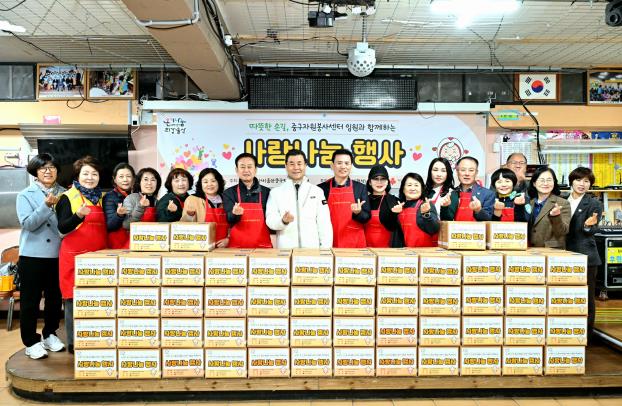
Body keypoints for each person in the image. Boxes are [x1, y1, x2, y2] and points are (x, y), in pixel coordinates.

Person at [16, 154, 66, 359]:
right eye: (43, 167)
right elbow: (28, 224)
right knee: (30, 301)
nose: (48, 171)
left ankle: (49, 334)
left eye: (52, 167)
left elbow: (67, 224)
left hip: (57, 254)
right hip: (32, 256)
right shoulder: (24, 195)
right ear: (35, 171)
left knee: (54, 299)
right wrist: (45, 206)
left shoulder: (66, 193)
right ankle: (30, 341)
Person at [56, 156, 107, 353]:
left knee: (98, 299)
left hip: (99, 256)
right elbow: (62, 228)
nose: (90, 177)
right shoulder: (67, 197)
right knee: (73, 299)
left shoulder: (101, 197)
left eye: (94, 174)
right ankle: (74, 343)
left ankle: (96, 340)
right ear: (78, 175)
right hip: (74, 256)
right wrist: (78, 215)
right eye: (86, 173)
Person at [265, 150, 332, 248]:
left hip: (312, 251)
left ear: (305, 165)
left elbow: (324, 224)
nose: (296, 167)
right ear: (286, 166)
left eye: (299, 163)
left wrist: (325, 250)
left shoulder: (317, 191)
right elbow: (270, 220)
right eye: (291, 164)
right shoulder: (276, 192)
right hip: (286, 251)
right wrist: (283, 221)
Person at [565, 167, 603, 338]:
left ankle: (586, 335)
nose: (582, 184)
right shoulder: (562, 200)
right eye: (578, 180)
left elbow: (592, 229)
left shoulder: (594, 204)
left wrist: (588, 225)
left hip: (585, 256)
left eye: (586, 181)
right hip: (564, 254)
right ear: (571, 181)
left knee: (586, 297)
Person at [318, 149, 370, 248]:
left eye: (346, 163)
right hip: (329, 241)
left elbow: (366, 218)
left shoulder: (360, 188)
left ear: (351, 166)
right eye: (339, 163)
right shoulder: (321, 189)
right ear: (332, 165)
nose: (343, 166)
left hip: (354, 242)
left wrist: (358, 213)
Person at [223, 153, 272, 248]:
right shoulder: (229, 193)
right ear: (236, 170)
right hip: (237, 247)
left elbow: (270, 219)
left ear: (255, 170)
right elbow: (229, 220)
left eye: (249, 167)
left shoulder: (267, 192)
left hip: (262, 246)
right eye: (242, 167)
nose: (246, 170)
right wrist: (234, 214)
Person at [181, 168, 230, 248]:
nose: (209, 184)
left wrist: (228, 239)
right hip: (201, 246)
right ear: (201, 184)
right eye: (205, 182)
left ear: (219, 182)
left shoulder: (227, 199)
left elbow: (233, 223)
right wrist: (189, 215)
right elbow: (184, 226)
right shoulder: (192, 199)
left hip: (224, 246)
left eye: (213, 181)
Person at [392, 173, 440, 248]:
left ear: (422, 189)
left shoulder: (426, 205)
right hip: (407, 253)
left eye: (416, 185)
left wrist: (426, 214)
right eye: (409, 185)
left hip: (425, 252)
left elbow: (434, 229)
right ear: (403, 189)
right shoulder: (400, 208)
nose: (413, 188)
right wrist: (394, 215)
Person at [439, 156, 495, 221]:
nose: (467, 174)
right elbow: (446, 220)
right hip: (455, 228)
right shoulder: (452, 193)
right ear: (457, 172)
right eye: (463, 170)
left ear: (476, 172)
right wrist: (445, 207)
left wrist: (478, 210)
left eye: (471, 170)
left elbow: (489, 220)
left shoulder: (488, 194)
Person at [527, 166, 570, 248]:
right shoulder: (529, 203)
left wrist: (556, 216)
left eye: (549, 180)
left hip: (551, 250)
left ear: (554, 182)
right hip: (529, 249)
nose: (545, 183)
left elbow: (563, 232)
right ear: (534, 183)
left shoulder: (563, 203)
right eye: (542, 180)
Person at [364, 164, 399, 248]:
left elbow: (394, 228)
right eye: (376, 179)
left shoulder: (394, 201)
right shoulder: (363, 201)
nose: (379, 182)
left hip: (387, 251)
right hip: (364, 249)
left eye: (383, 179)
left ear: (387, 182)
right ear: (369, 182)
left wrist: (395, 214)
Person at [103, 163, 135, 249]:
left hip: (134, 239)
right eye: (121, 176)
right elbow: (109, 225)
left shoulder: (137, 196)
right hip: (117, 242)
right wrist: (119, 215)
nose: (125, 179)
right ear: (115, 179)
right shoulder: (109, 197)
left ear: (133, 179)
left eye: (128, 176)